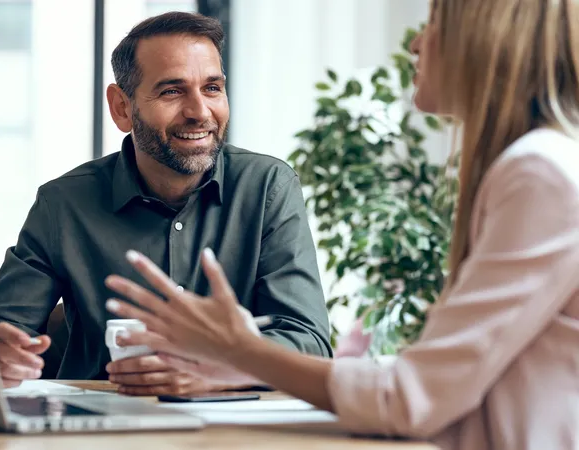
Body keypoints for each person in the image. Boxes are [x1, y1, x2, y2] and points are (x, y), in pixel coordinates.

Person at [103, 0, 579, 448]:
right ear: (123, 107)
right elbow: (445, 378)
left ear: (485, 38)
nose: (415, 44)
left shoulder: (540, 174)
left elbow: (412, 398)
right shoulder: (536, 167)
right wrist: (241, 364)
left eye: (433, 22)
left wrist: (240, 352)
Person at [0, 11, 332, 396]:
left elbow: (308, 340)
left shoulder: (268, 188)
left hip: (229, 426)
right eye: (172, 91)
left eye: (212, 88)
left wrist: (220, 367)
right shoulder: (64, 203)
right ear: (122, 107)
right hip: (100, 420)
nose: (200, 112)